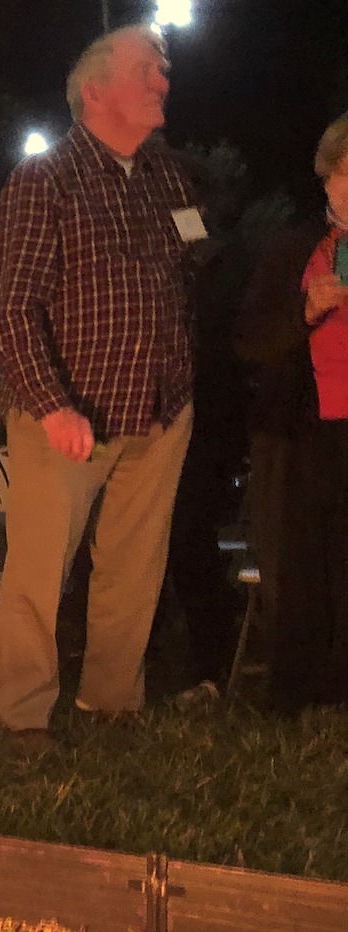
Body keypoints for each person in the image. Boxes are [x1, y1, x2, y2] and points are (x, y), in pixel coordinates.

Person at [0, 24, 201, 749]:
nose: (163, 80)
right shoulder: (45, 179)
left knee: (134, 570)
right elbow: (13, 306)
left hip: (160, 408)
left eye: (163, 69)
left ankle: (111, 702)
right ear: (95, 90)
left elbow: (195, 263)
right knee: (40, 572)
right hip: (69, 415)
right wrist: (50, 405)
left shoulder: (168, 175)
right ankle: (22, 714)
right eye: (148, 68)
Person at [236, 113, 348, 712]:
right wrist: (306, 310)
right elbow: (251, 340)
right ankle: (296, 690)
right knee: (297, 563)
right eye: (347, 170)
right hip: (298, 430)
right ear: (327, 178)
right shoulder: (293, 247)